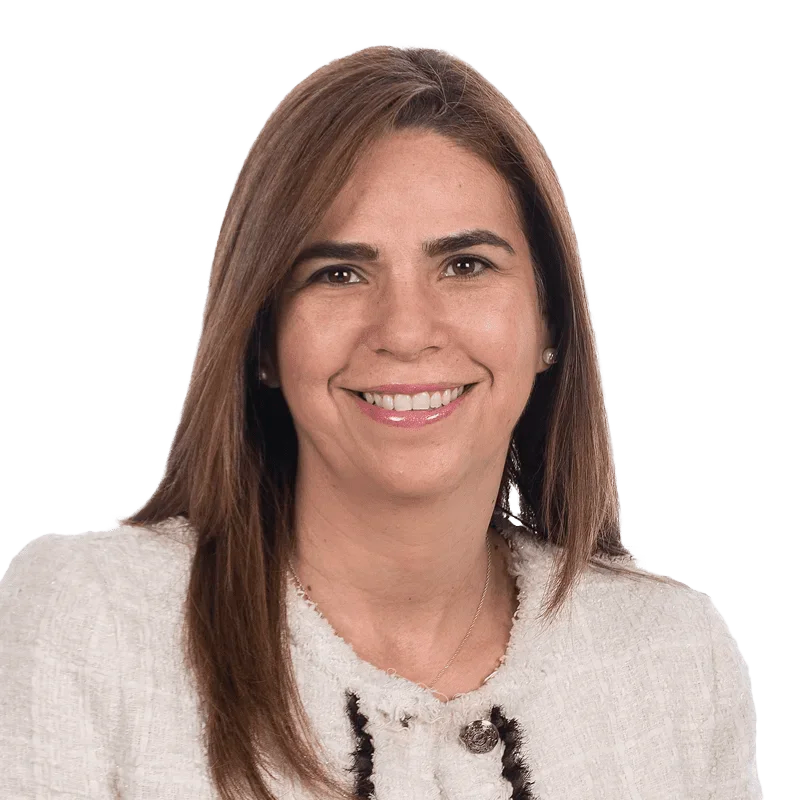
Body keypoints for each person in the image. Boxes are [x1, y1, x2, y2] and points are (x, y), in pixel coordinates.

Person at [0, 43, 761, 800]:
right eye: (339, 273)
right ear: (262, 339)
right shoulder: (91, 624)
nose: (404, 331)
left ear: (550, 322)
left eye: (465, 265)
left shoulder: (672, 657)